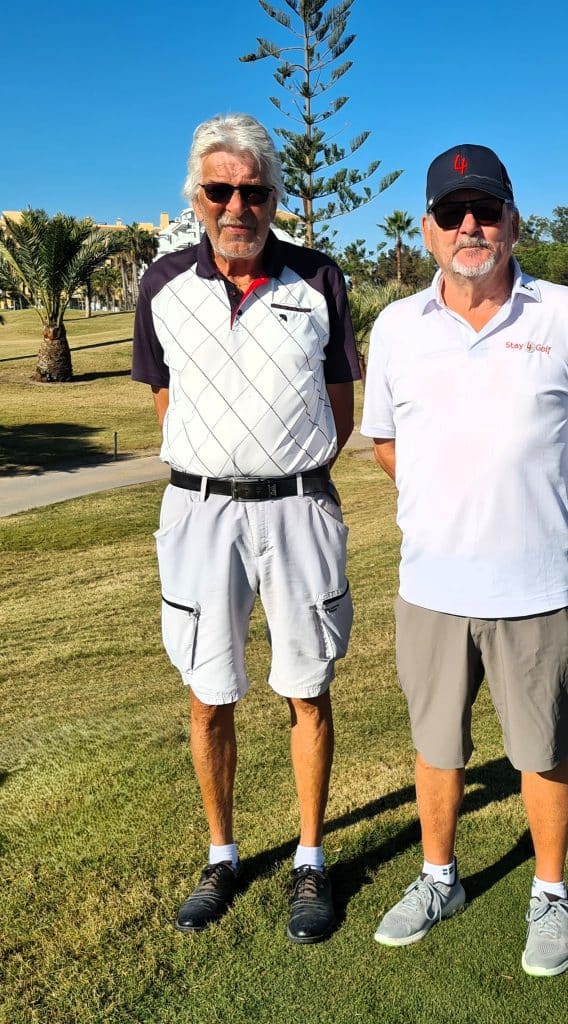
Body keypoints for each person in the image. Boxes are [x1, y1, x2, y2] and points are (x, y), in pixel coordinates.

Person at [361, 144, 568, 976]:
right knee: (437, 745)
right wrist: (448, 506)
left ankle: (550, 892)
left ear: (512, 220)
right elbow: (387, 444)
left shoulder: (565, 314)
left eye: (484, 210)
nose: (469, 226)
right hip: (431, 586)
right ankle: (439, 878)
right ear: (428, 229)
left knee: (542, 749)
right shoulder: (397, 327)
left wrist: (543, 504)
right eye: (452, 213)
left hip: (534, 584)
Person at [131, 113, 360, 943]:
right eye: (220, 191)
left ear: (273, 197)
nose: (237, 207)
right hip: (199, 512)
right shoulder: (162, 285)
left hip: (297, 508)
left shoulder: (318, 279)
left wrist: (280, 466)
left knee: (308, 687)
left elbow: (338, 409)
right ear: (196, 197)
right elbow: (166, 399)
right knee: (207, 693)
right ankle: (221, 855)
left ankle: (310, 858)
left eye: (253, 192)